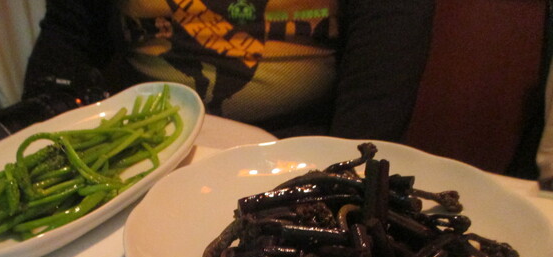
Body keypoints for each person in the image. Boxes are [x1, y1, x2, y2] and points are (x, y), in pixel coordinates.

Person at [22, 0, 435, 142]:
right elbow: (69, 37)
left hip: (303, 146)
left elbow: (380, 91)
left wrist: (341, 179)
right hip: (141, 142)